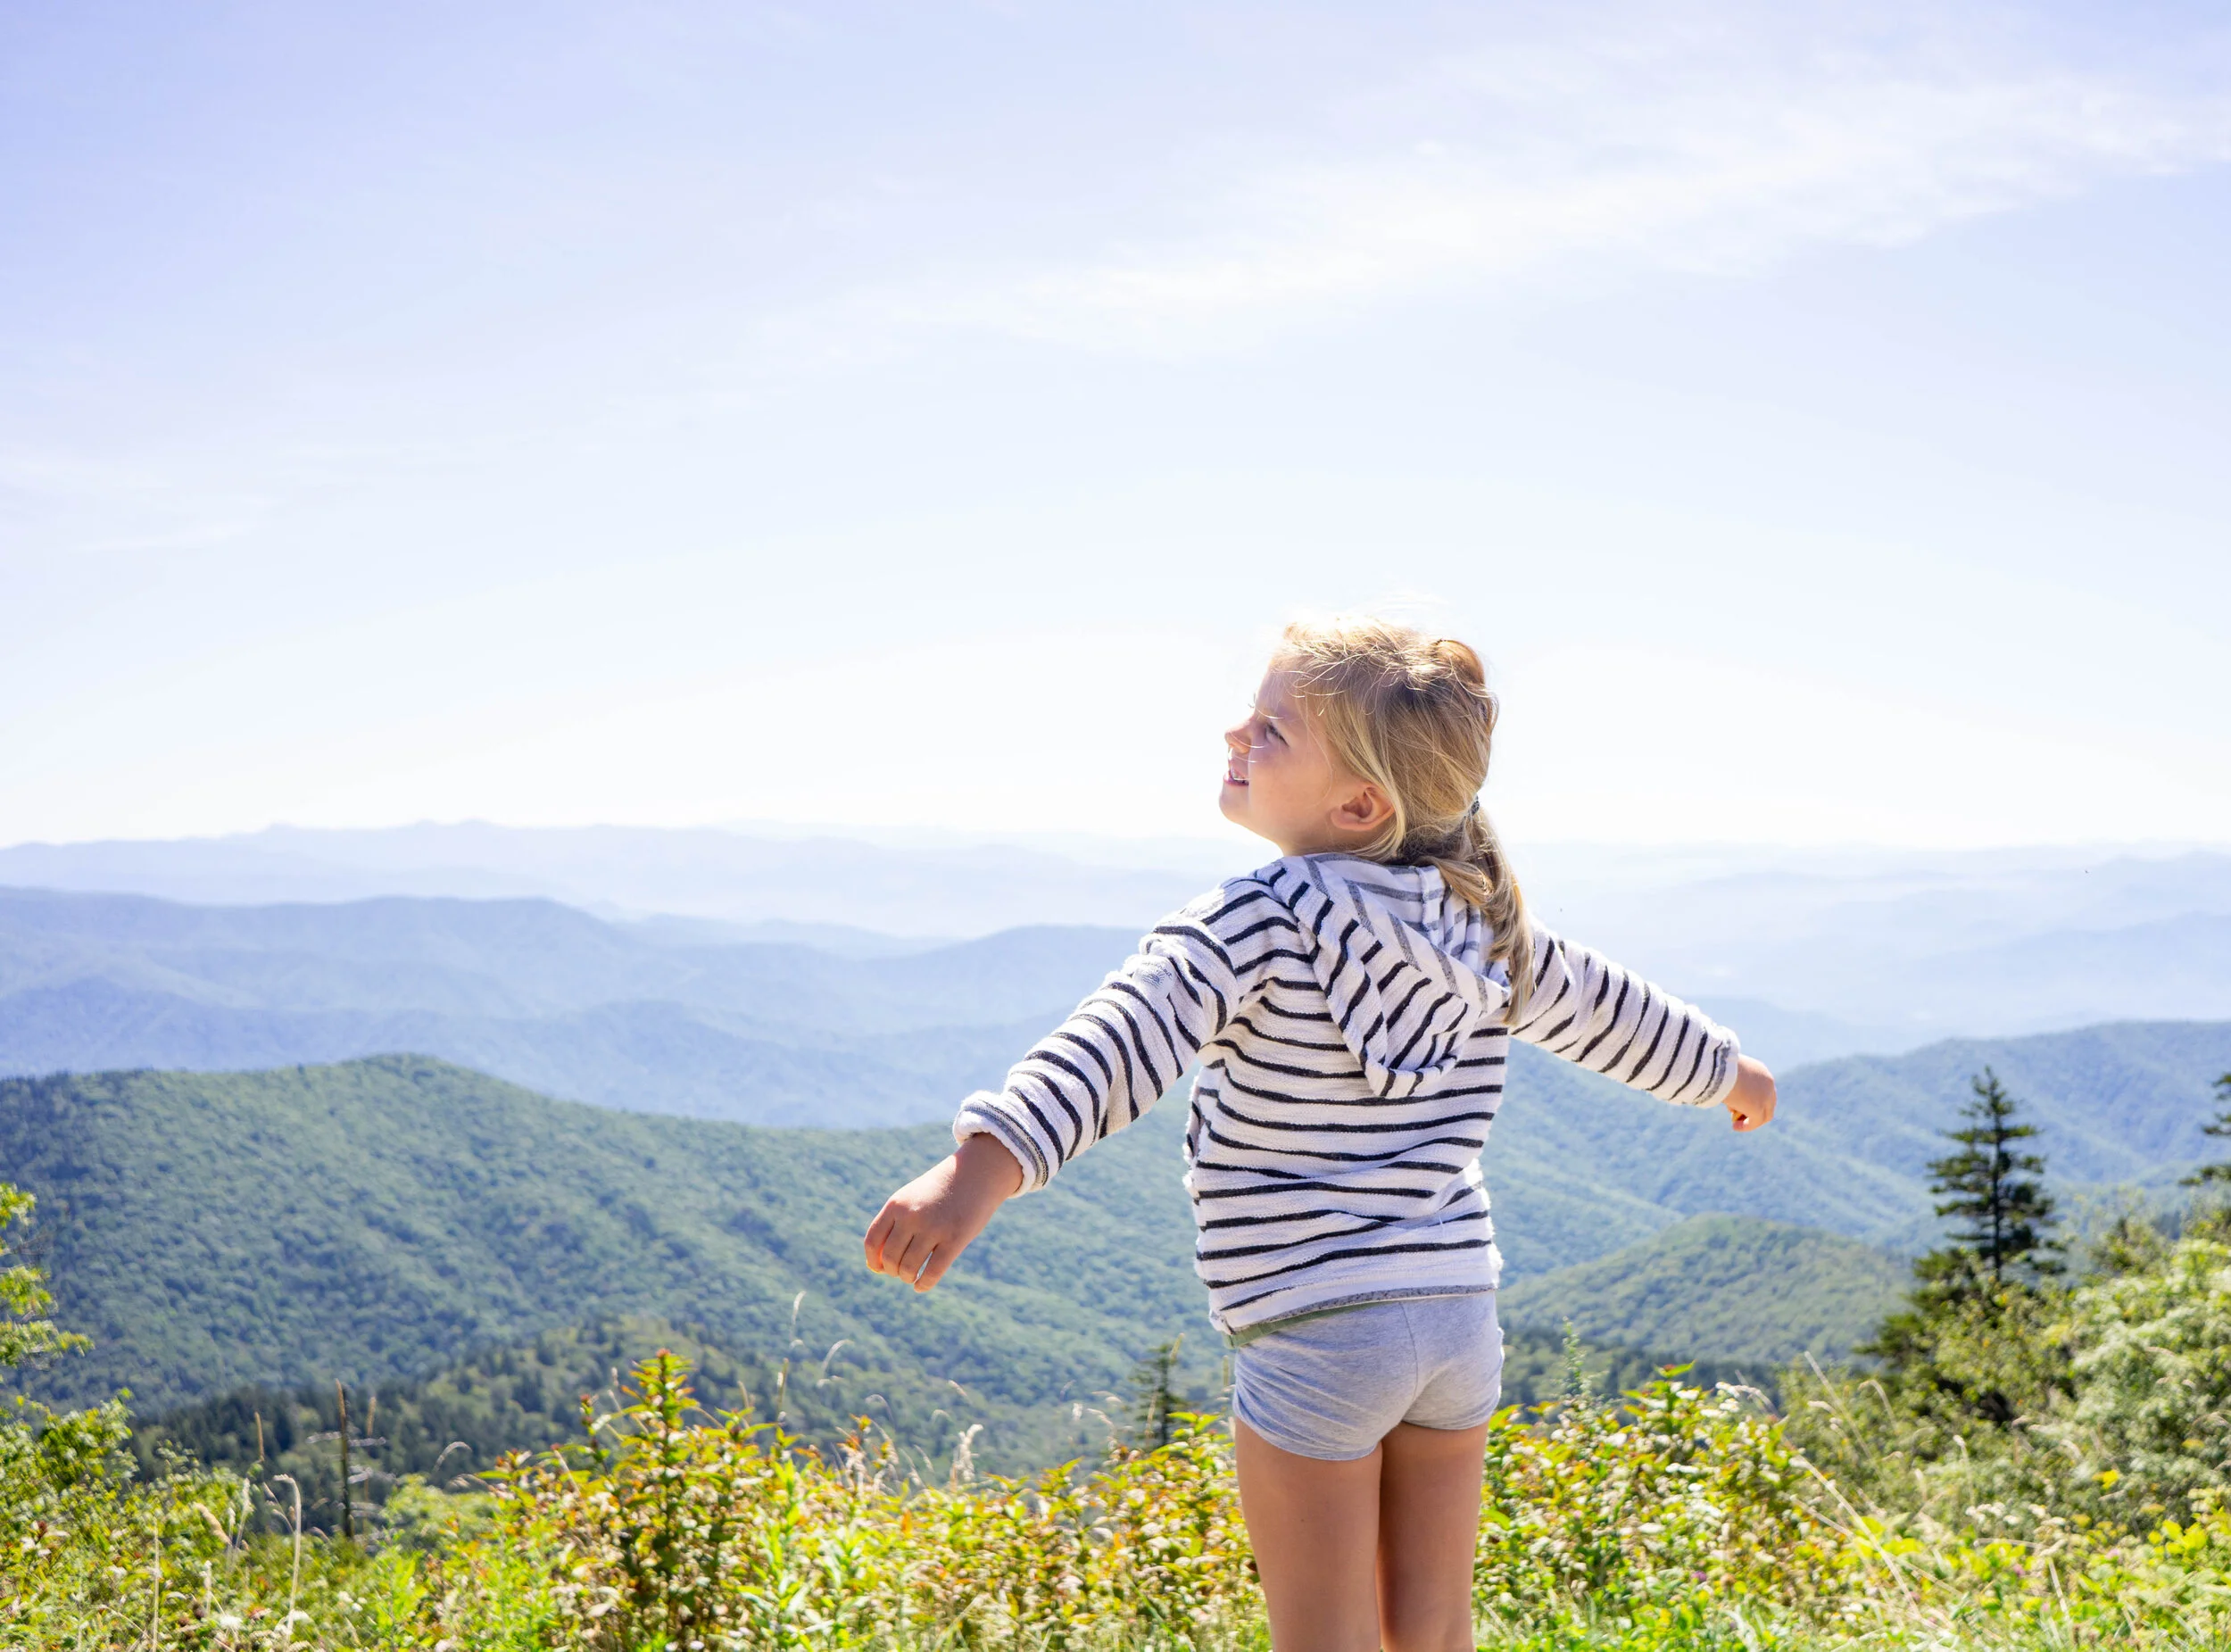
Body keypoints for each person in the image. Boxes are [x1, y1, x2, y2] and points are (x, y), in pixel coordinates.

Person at [864, 614, 1778, 1652]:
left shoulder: (1256, 918)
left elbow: (1120, 1041)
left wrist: (982, 1167)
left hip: (1316, 1328)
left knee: (1322, 1636)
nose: (1234, 737)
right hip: (1454, 1318)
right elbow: (1615, 1015)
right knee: (1430, 1632)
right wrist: (1727, 1073)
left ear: (1358, 804)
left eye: (1271, 730)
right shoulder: (1485, 923)